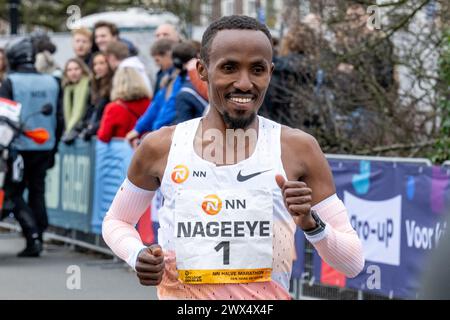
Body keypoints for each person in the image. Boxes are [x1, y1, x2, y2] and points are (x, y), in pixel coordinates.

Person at [102, 15, 364, 300]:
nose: (244, 83)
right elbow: (116, 221)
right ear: (202, 69)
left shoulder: (297, 149)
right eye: (229, 68)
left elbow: (352, 264)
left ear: (270, 72)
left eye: (257, 69)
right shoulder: (162, 146)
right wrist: (137, 254)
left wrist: (313, 225)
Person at [0, 37, 61, 257]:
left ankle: (33, 234)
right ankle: (39, 235)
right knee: (37, 190)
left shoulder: (11, 81)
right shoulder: (52, 81)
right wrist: (54, 147)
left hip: (17, 148)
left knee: (13, 193)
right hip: (45, 146)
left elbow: (4, 119)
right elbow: (59, 118)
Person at [97, 67, 151, 143]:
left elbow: (103, 137)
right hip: (144, 149)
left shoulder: (113, 108)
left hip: (122, 151)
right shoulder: (149, 103)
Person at [74, 52, 113, 141]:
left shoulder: (112, 86)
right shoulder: (94, 85)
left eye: (102, 63)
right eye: (95, 64)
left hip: (104, 134)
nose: (98, 67)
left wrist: (94, 127)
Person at [61, 58, 90, 143]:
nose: (73, 73)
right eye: (69, 70)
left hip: (83, 132)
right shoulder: (66, 89)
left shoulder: (89, 86)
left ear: (83, 70)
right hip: (68, 132)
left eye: (76, 69)